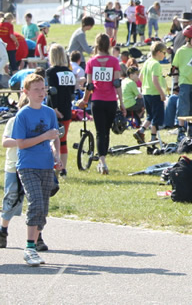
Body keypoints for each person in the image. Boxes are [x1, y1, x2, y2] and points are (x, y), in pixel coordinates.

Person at [10, 74, 59, 266]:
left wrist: (56, 155)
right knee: (36, 202)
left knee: (43, 209)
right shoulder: (22, 115)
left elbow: (54, 136)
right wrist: (44, 136)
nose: (41, 92)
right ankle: (29, 248)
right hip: (28, 165)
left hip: (46, 165)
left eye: (43, 88)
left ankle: (34, 245)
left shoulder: (49, 113)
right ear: (26, 92)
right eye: (36, 89)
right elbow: (21, 144)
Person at [78, 34, 124, 175]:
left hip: (97, 101)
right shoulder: (114, 61)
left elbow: (89, 85)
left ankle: (102, 161)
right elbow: (117, 83)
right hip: (111, 101)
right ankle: (102, 160)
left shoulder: (91, 62)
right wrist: (121, 102)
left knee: (99, 132)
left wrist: (84, 100)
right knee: (106, 132)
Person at [1, 93, 27, 250]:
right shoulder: (14, 121)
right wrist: (23, 142)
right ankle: (3, 229)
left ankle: (37, 236)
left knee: (36, 201)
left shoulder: (39, 121)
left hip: (32, 166)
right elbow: (5, 142)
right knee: (11, 198)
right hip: (13, 166)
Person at [45, 44, 76, 174]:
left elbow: (53, 91)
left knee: (50, 139)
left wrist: (55, 108)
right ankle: (63, 168)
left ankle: (54, 166)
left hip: (53, 109)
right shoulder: (70, 72)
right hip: (67, 109)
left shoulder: (50, 72)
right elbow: (72, 92)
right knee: (63, 140)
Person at [139, 42, 168, 147]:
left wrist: (145, 85)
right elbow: (155, 80)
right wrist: (162, 93)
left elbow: (140, 77)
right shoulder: (156, 64)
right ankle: (152, 138)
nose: (165, 55)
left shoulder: (147, 62)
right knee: (157, 118)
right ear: (159, 52)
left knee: (150, 115)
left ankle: (142, 131)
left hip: (146, 93)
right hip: (154, 93)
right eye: (164, 53)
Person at [121, 66, 145, 134]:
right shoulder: (132, 83)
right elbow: (139, 96)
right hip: (131, 104)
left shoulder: (124, 81)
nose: (138, 76)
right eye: (137, 74)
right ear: (131, 75)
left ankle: (138, 116)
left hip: (123, 104)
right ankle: (147, 118)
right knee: (145, 101)